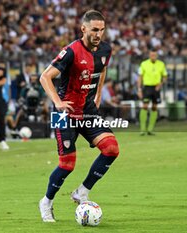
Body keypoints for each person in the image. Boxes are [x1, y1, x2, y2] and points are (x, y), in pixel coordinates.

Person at [38, 10, 119, 222]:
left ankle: (82, 191)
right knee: (67, 164)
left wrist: (99, 95)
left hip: (89, 111)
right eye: (94, 29)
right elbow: (45, 77)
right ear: (83, 29)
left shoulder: (105, 50)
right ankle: (46, 201)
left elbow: (101, 72)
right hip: (64, 113)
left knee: (111, 148)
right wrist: (57, 102)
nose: (98, 34)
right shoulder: (71, 51)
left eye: (101, 30)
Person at [137, 49, 168, 135]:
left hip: (156, 88)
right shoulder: (144, 64)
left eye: (154, 55)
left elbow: (165, 76)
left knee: (154, 107)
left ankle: (150, 129)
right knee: (145, 106)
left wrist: (161, 84)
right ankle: (143, 129)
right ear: (149, 55)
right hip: (147, 87)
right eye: (151, 55)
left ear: (157, 55)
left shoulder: (161, 64)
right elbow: (140, 77)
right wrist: (139, 89)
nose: (153, 56)